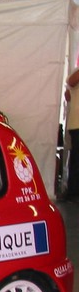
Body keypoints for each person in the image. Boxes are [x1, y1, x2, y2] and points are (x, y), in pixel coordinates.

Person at [64, 67, 79, 199]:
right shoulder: (75, 73)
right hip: (77, 123)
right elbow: (71, 83)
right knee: (76, 159)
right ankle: (73, 192)